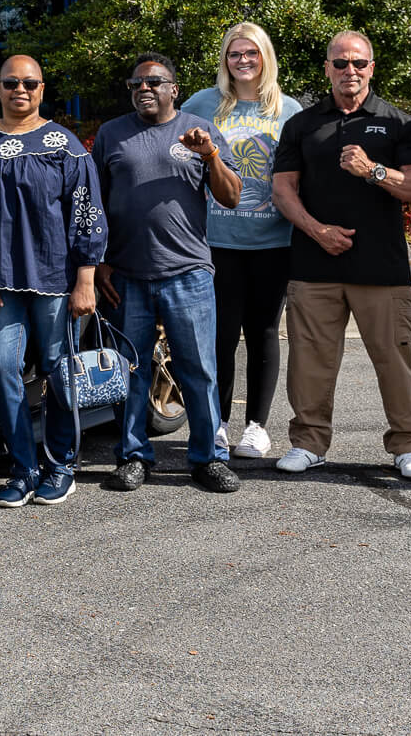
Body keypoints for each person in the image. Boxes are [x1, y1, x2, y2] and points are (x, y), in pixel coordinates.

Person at [0, 54, 104, 509]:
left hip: (54, 279)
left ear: (42, 89)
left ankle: (60, 465)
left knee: (58, 372)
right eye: (11, 82)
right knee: (2, 370)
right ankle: (23, 467)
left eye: (30, 83)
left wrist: (85, 280)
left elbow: (87, 215)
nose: (20, 90)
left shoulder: (63, 145)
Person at [270, 32, 411, 480]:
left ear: (372, 68)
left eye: (359, 63)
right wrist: (317, 231)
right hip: (314, 263)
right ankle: (308, 443)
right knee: (309, 358)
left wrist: (373, 170)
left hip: (381, 267)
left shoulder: (400, 124)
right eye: (340, 63)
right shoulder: (303, 125)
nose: (350, 71)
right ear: (326, 69)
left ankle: (407, 446)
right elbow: (283, 189)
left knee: (394, 358)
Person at [97, 53, 245, 494]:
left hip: (188, 273)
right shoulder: (111, 134)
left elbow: (232, 196)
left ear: (174, 89)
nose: (145, 89)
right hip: (126, 274)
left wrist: (210, 155)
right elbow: (97, 205)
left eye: (155, 82)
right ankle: (132, 456)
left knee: (198, 370)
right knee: (131, 371)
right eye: (137, 83)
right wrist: (99, 261)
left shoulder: (198, 130)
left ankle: (208, 458)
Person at [181, 22, 303, 460]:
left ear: (265, 57)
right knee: (221, 335)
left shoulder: (287, 108)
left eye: (252, 53)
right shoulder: (202, 104)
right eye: (235, 54)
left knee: (265, 331)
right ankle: (216, 424)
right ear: (225, 60)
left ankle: (256, 427)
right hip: (216, 240)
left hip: (273, 239)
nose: (243, 61)